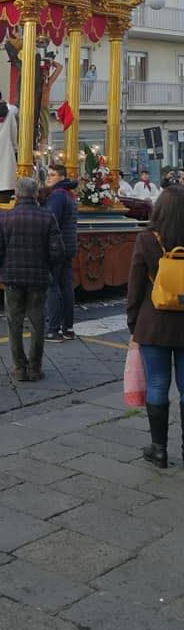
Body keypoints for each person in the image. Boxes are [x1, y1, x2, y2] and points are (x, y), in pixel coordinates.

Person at [127, 185, 184, 469]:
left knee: (158, 384)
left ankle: (159, 449)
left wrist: (133, 322)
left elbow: (136, 284)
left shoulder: (147, 239)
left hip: (154, 322)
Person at [0, 177, 65, 382]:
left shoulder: (4, 218)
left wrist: (2, 268)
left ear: (17, 193)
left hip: (12, 277)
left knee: (14, 323)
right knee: (38, 323)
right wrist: (47, 267)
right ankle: (35, 367)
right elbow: (58, 251)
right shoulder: (47, 217)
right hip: (38, 279)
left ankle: (19, 367)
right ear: (35, 193)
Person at [44, 163, 78, 343]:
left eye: (52, 175)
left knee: (52, 286)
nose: (48, 178)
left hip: (58, 247)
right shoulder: (69, 194)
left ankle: (53, 329)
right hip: (69, 245)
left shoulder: (56, 196)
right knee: (66, 286)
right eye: (48, 175)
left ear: (62, 177)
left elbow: (52, 222)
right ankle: (68, 327)